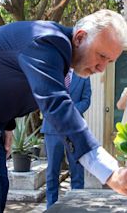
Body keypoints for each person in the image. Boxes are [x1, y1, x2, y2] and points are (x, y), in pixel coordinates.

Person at [0, 9, 127, 212]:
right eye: (101, 56)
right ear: (80, 37)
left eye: (109, 61)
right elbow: (56, 105)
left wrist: (6, 124)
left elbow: (0, 81)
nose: (102, 68)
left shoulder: (61, 58)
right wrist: (110, 172)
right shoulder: (47, 42)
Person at [41, 70, 91, 208]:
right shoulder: (53, 71)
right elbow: (44, 96)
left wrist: (68, 111)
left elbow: (86, 100)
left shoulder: (84, 75)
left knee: (77, 170)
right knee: (52, 171)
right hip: (52, 127)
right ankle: (51, 206)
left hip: (75, 128)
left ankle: (76, 207)